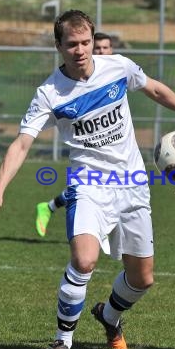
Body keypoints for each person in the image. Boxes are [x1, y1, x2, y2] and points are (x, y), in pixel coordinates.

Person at [0, 9, 175, 349]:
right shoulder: (49, 93)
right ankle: (62, 341)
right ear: (58, 46)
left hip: (132, 184)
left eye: (86, 42)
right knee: (84, 259)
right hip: (89, 184)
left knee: (142, 278)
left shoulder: (117, 66)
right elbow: (22, 143)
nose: (80, 50)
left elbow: (153, 88)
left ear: (93, 41)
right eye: (71, 44)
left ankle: (109, 316)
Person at [35, 31, 115, 237]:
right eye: (98, 48)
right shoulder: (64, 85)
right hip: (87, 152)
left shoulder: (115, 72)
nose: (102, 51)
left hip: (113, 151)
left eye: (106, 48)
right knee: (87, 188)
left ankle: (50, 207)